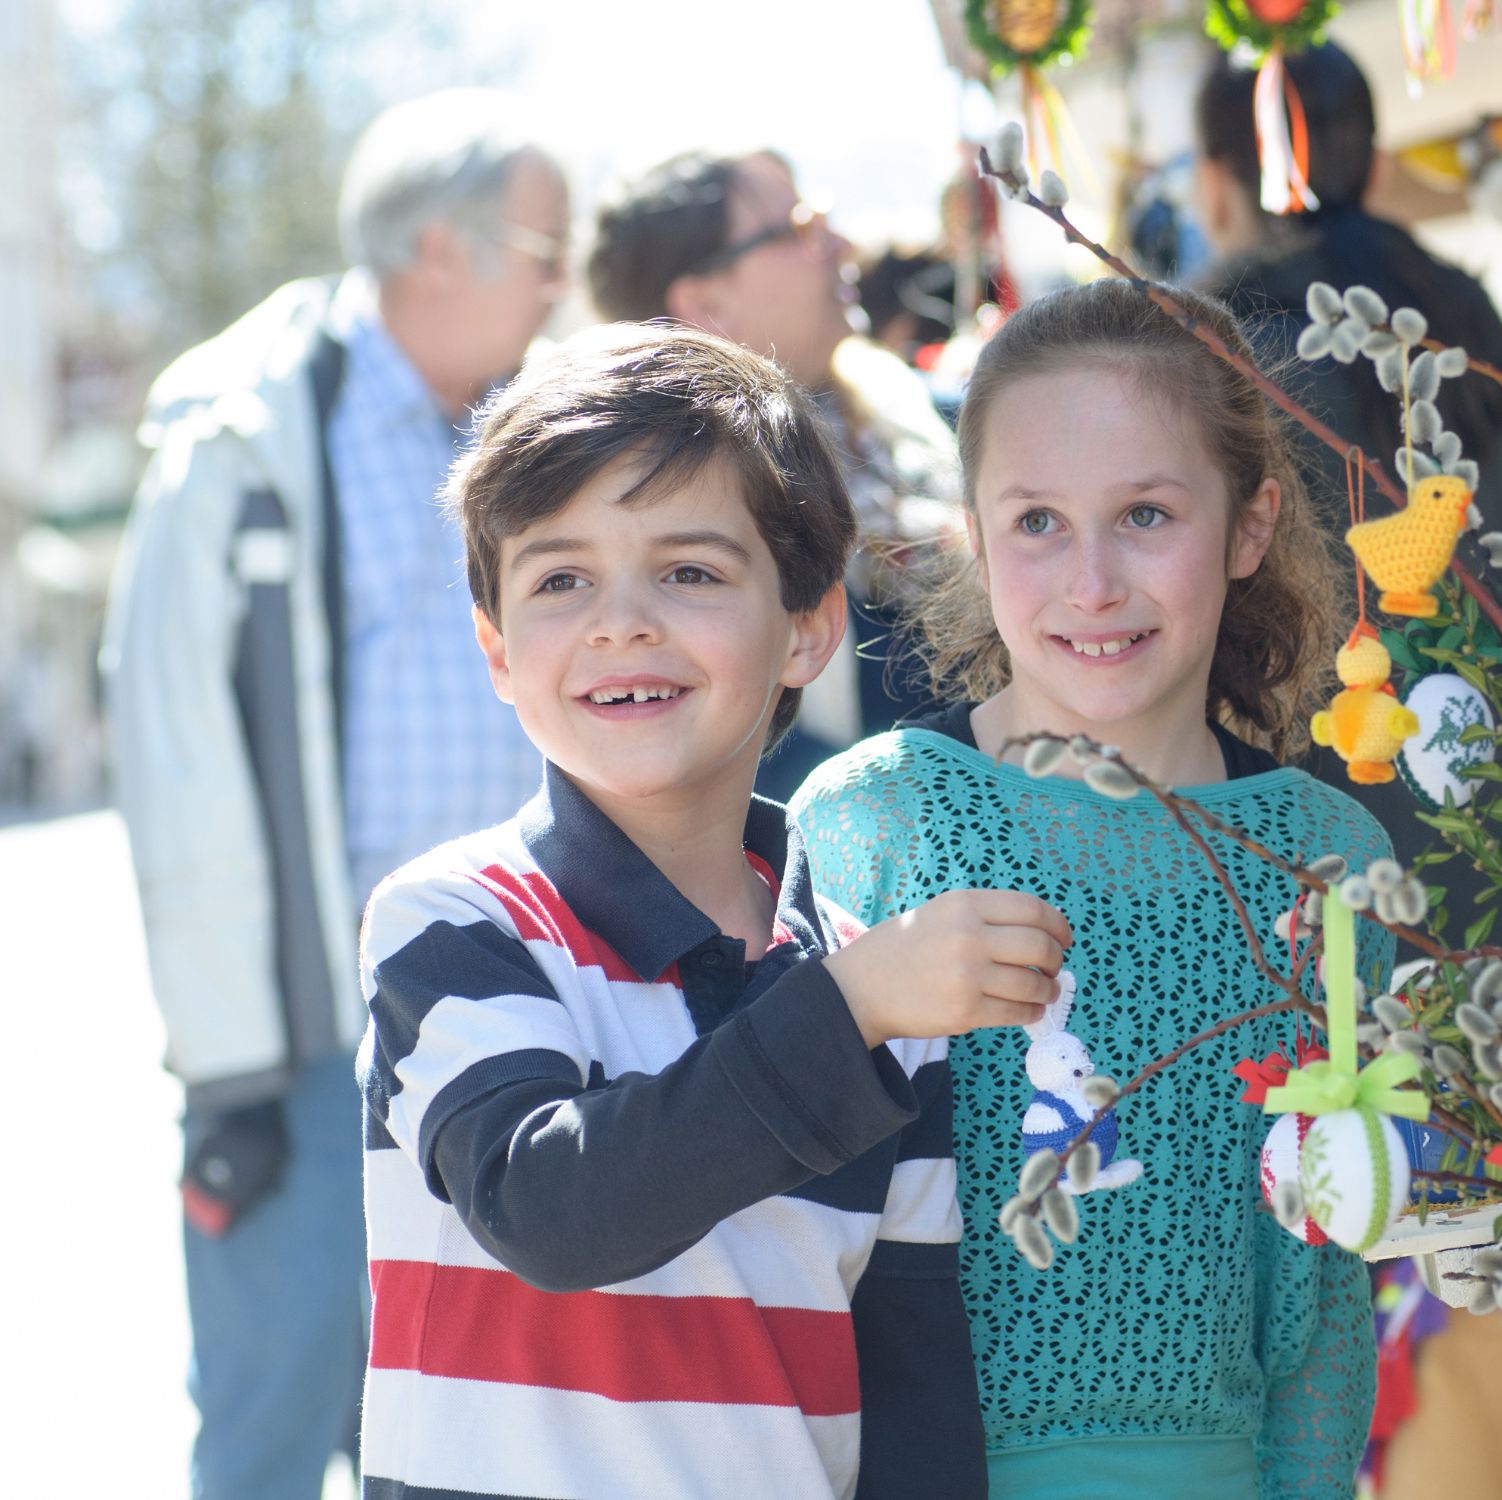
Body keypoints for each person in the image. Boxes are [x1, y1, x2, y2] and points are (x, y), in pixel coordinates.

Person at [357, 322, 1064, 1499]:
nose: (619, 621)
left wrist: (859, 1004)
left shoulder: (882, 987)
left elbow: (918, 1399)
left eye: (688, 572)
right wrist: (846, 1012)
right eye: (560, 578)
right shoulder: (456, 922)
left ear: (809, 628)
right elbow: (552, 1209)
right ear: (494, 648)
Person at [793, 279, 1385, 1499]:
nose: (1094, 582)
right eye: (1039, 523)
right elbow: (799, 1263)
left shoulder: (1325, 859)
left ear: (1249, 526)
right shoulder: (868, 827)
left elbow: (1322, 1306)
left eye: (1149, 515)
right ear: (973, 530)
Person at [100, 89, 568, 1499]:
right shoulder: (242, 430)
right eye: (547, 248)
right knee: (273, 1418)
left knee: (467, 1432)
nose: (566, 281)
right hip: (314, 1032)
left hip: (513, 999)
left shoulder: (526, 420)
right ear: (441, 246)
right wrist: (233, 1058)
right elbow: (175, 760)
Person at [1194, 42, 1502, 925]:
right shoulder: (1450, 307)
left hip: (1325, 796)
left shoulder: (1222, 352)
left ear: (1217, 182)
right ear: (1375, 162)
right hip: (1487, 745)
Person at [584, 148, 958, 794]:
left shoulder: (900, 418)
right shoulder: (662, 512)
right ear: (706, 305)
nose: (841, 244)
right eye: (798, 230)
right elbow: (744, 764)